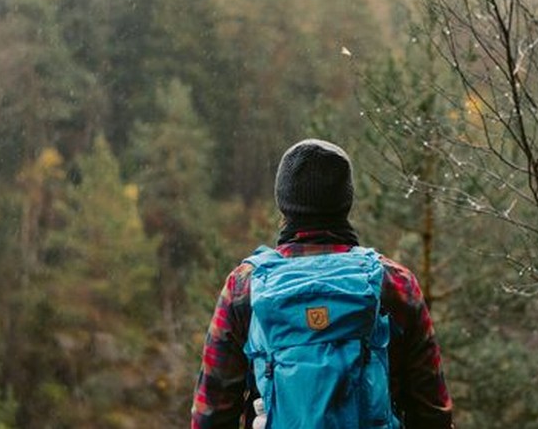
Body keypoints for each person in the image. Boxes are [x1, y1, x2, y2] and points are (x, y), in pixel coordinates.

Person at [191, 138, 455, 428]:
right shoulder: (394, 282)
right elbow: (432, 412)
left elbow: (211, 415)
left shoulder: (244, 286)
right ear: (346, 201)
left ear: (283, 202)